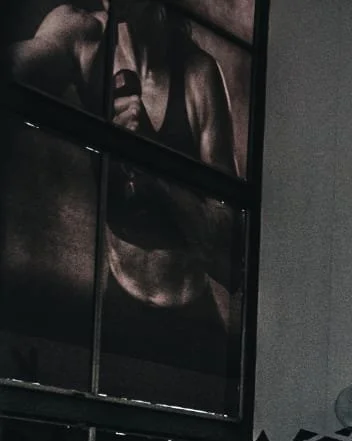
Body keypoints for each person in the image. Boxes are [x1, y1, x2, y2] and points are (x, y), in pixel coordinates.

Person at [7, 0, 239, 364]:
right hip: (118, 299)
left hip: (189, 314)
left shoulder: (198, 75)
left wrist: (154, 168)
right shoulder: (83, 38)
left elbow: (229, 237)